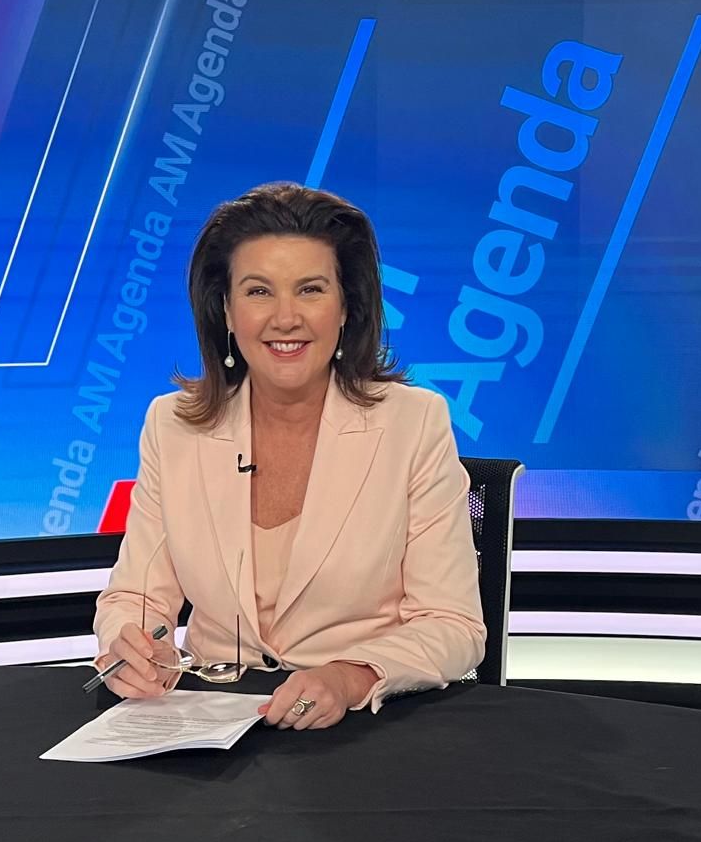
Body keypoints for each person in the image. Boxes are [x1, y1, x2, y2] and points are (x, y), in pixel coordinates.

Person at [93, 183, 486, 730]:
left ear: (346, 307)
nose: (285, 318)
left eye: (310, 290)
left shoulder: (413, 423)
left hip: (360, 726)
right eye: (258, 291)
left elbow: (453, 624)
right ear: (226, 310)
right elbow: (135, 597)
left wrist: (349, 677)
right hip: (210, 719)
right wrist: (131, 646)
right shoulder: (173, 425)